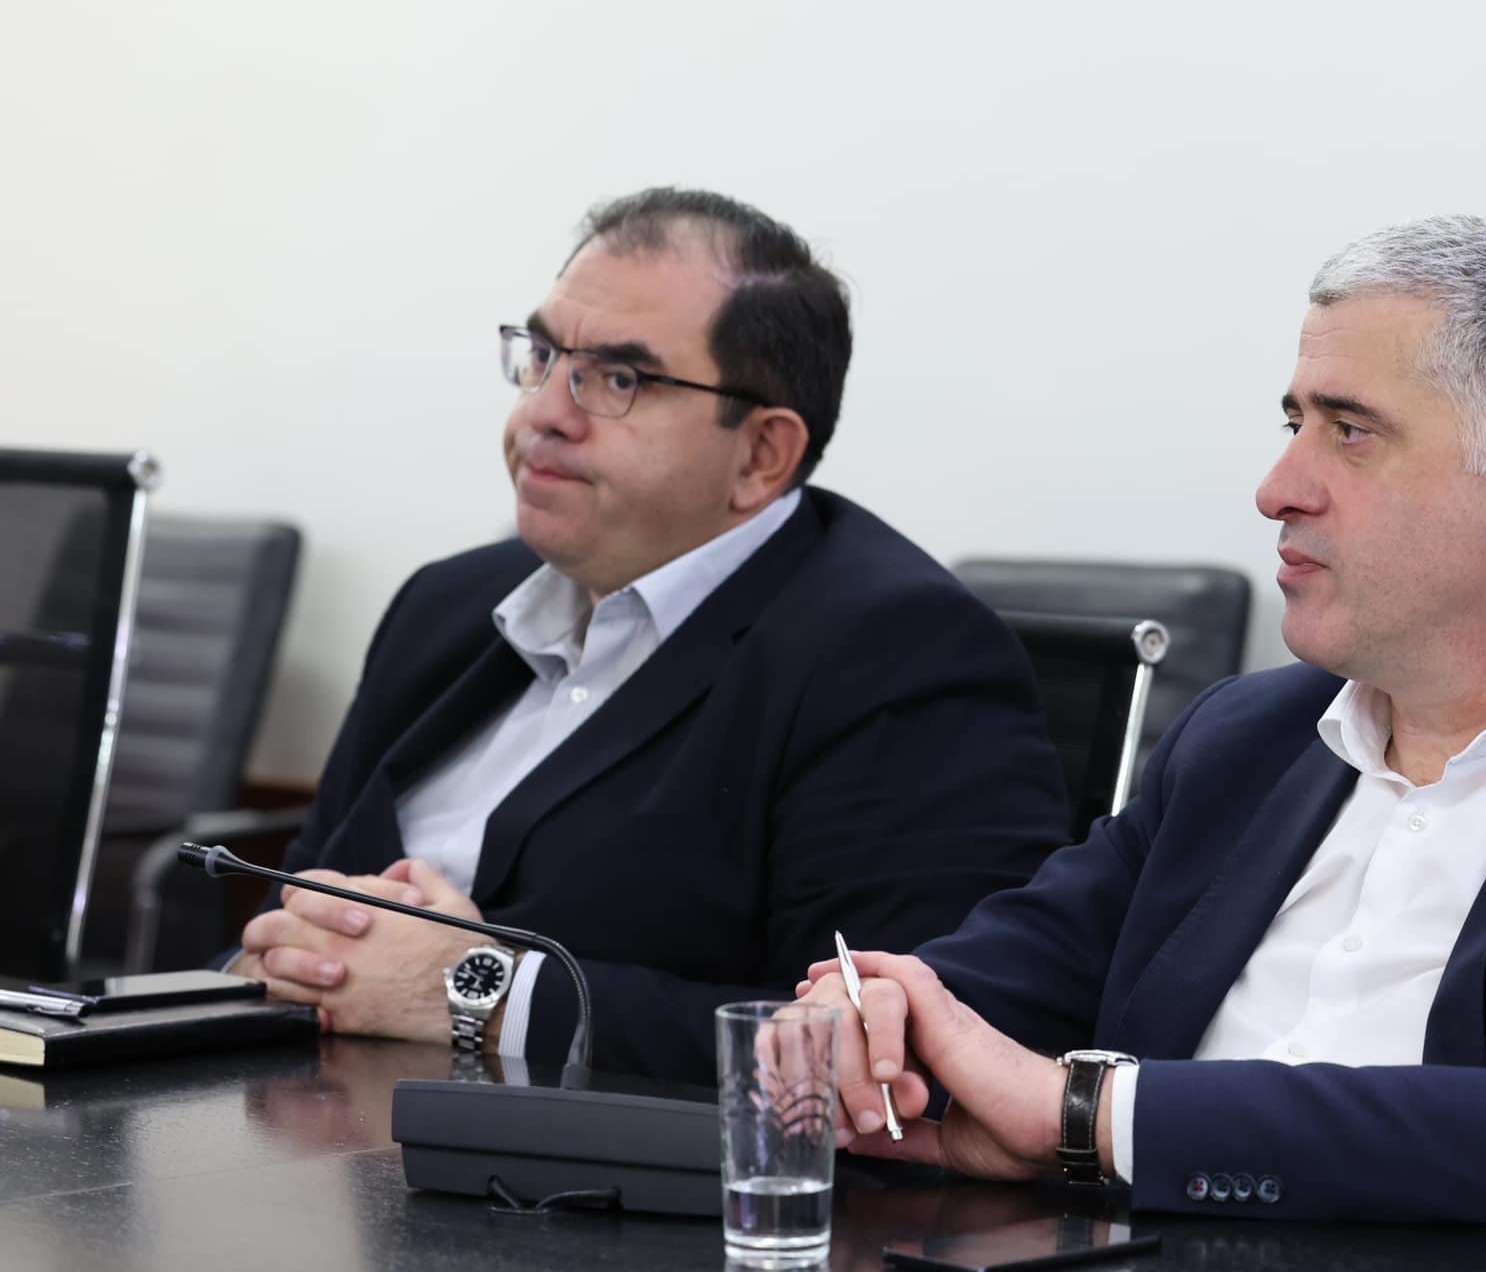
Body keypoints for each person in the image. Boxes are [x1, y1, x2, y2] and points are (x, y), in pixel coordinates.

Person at [799, 217, 1486, 1269]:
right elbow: (996, 985)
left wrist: (1083, 1114)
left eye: (1350, 431)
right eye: (1294, 425)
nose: (1277, 489)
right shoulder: (1246, 739)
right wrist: (875, 1019)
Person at [232, 187, 1070, 1082]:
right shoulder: (445, 605)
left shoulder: (897, 654)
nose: (546, 412)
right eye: (544, 356)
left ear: (761, 455)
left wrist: (491, 997)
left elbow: (900, 1050)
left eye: (619, 379)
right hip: (297, 1118)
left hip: (586, 1165)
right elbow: (297, 908)